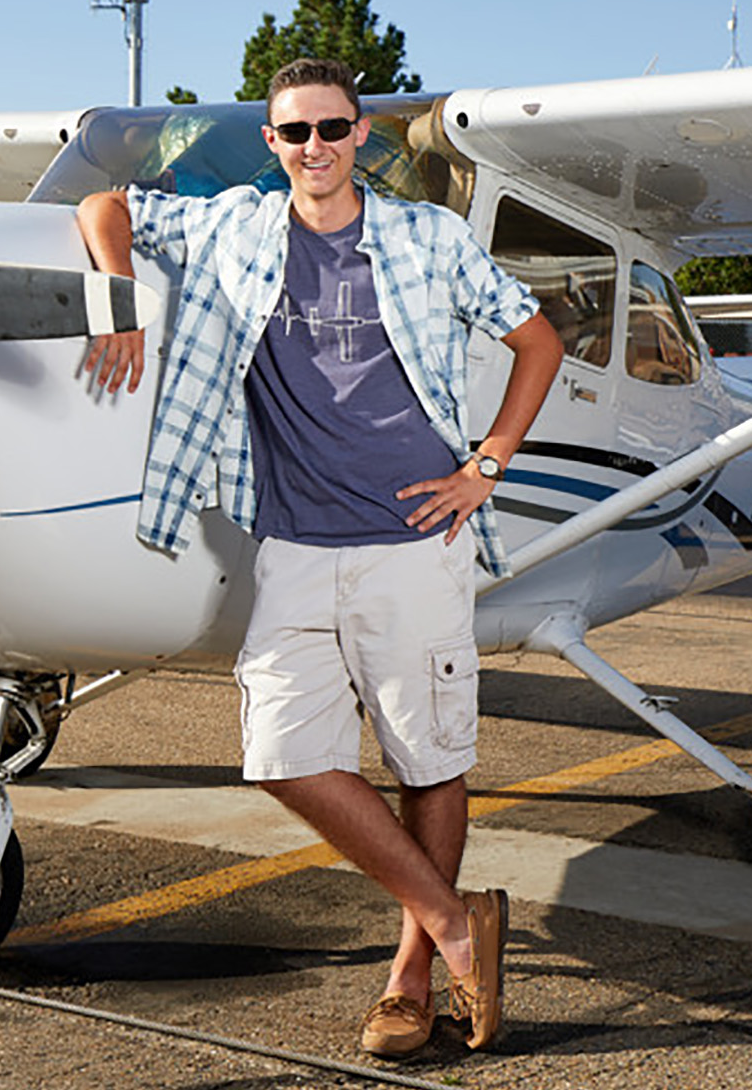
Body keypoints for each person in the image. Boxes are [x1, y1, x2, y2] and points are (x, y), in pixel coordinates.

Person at [75, 57, 564, 1057]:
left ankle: (410, 980)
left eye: (332, 129)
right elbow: (101, 202)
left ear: (359, 136)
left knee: (426, 760)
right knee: (281, 757)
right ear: (270, 143)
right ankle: (454, 918)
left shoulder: (427, 238)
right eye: (293, 132)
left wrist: (485, 464)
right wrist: (116, 292)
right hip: (293, 541)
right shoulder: (229, 225)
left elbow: (538, 342)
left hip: (414, 541)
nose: (314, 148)